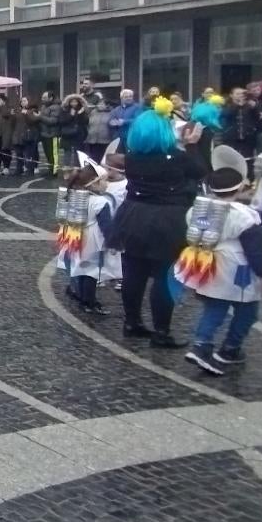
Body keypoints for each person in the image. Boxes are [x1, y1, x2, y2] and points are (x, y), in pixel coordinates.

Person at [106, 99, 206, 348]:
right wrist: (192, 145)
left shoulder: (132, 158)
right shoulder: (178, 159)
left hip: (132, 216)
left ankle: (132, 323)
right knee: (163, 276)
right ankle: (162, 332)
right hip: (167, 219)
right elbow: (201, 171)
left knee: (133, 272)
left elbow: (112, 158)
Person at [173, 154, 262, 377]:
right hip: (238, 269)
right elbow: (255, 249)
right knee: (247, 310)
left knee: (214, 308)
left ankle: (202, 343)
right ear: (238, 189)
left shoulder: (196, 210)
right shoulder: (246, 215)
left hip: (207, 263)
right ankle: (230, 348)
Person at [55, 159, 112, 315]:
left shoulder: (70, 195)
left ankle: (78, 293)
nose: (107, 184)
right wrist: (113, 241)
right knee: (91, 271)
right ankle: (89, 301)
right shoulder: (100, 202)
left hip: (73, 234)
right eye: (104, 181)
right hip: (90, 239)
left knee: (77, 266)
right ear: (94, 184)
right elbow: (106, 225)